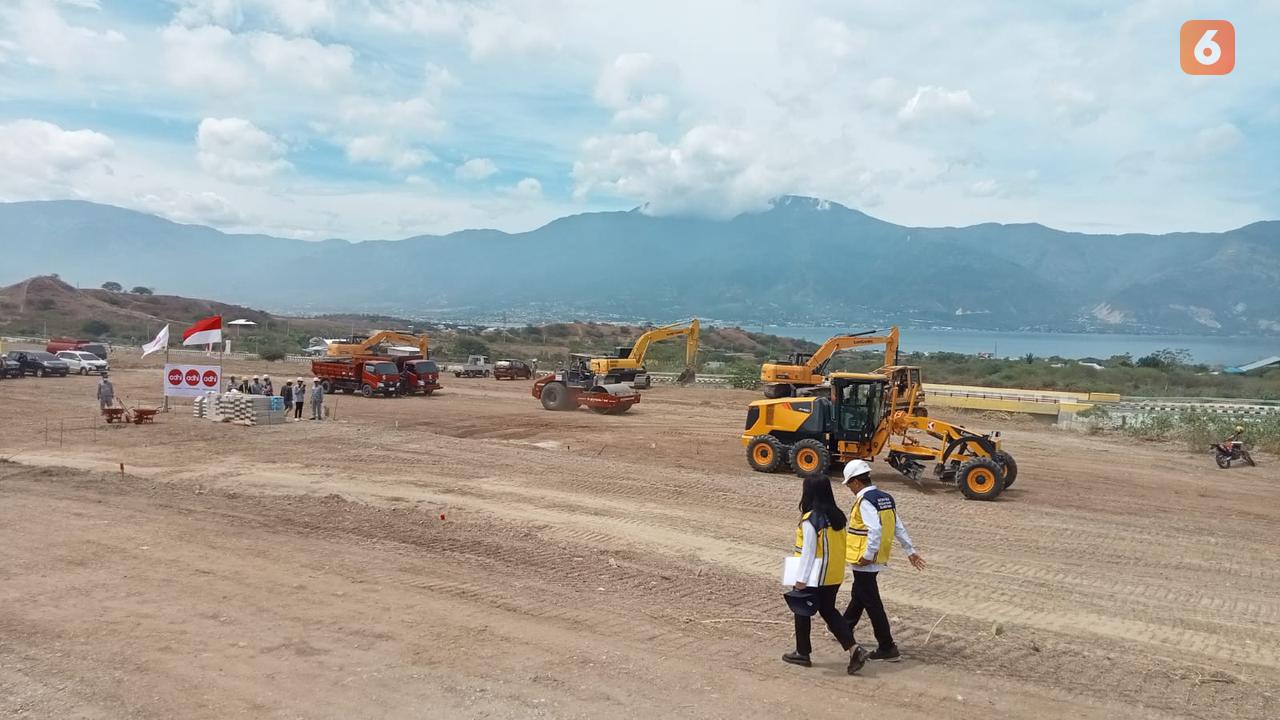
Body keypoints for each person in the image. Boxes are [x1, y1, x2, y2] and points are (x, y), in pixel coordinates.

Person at [840, 460, 926, 663]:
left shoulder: (866, 500)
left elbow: (875, 530)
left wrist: (867, 556)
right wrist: (910, 550)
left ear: (855, 482)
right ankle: (843, 628)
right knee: (860, 594)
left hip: (865, 559)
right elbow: (898, 526)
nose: (850, 489)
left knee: (871, 601)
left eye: (849, 484)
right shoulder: (885, 498)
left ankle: (887, 646)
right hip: (877, 557)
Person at [783, 476, 869, 674]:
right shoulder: (836, 516)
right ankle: (854, 649)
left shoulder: (811, 519)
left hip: (815, 575)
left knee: (801, 609)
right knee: (829, 611)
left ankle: (802, 653)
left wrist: (801, 580)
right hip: (834, 574)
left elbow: (809, 552)